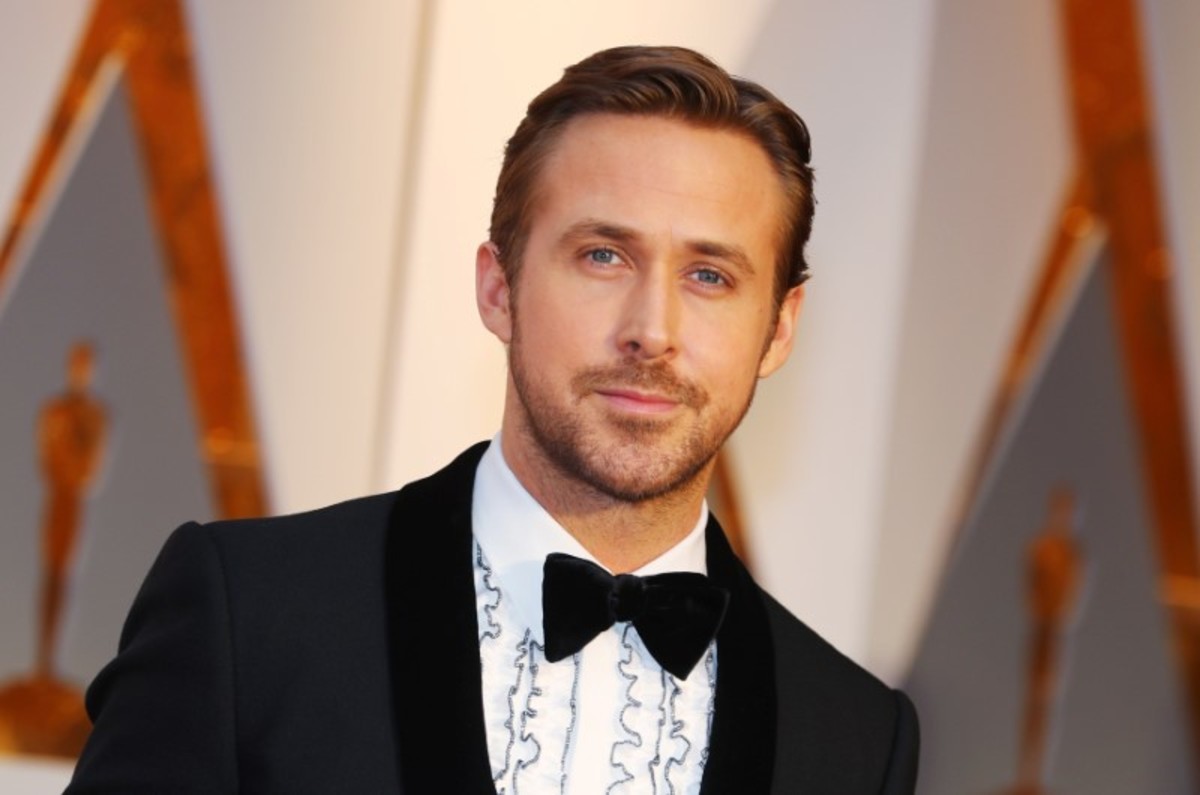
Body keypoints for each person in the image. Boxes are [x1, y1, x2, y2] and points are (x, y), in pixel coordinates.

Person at [66, 45, 919, 793]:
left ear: (780, 327)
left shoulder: (856, 735)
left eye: (709, 276)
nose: (652, 330)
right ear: (498, 288)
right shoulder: (251, 614)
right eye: (603, 255)